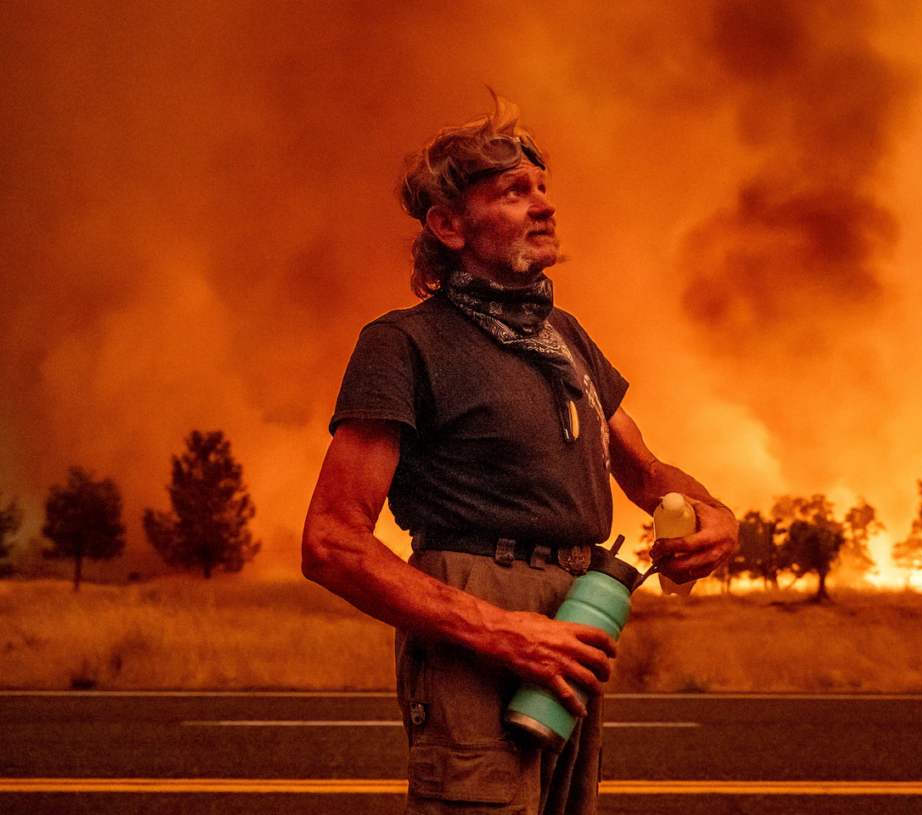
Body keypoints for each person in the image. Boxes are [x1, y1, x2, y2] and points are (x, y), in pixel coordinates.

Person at [301, 98, 738, 815]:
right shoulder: (404, 343)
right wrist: (505, 632)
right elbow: (331, 542)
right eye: (513, 191)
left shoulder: (566, 337)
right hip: (480, 615)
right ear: (448, 225)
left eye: (542, 187)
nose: (544, 204)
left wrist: (717, 514)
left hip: (578, 613)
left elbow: (644, 469)